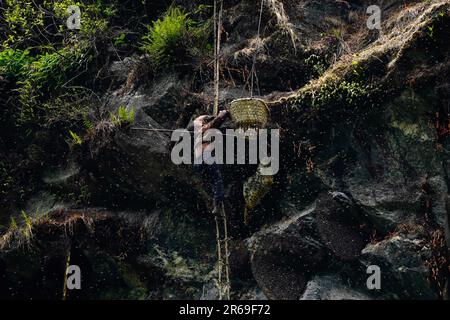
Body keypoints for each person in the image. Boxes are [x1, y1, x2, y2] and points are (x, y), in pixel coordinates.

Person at [192, 110, 230, 215]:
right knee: (217, 180)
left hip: (198, 162)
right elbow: (215, 123)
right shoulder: (202, 129)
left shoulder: (197, 132)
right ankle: (217, 203)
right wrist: (223, 114)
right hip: (205, 158)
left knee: (211, 180)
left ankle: (215, 201)